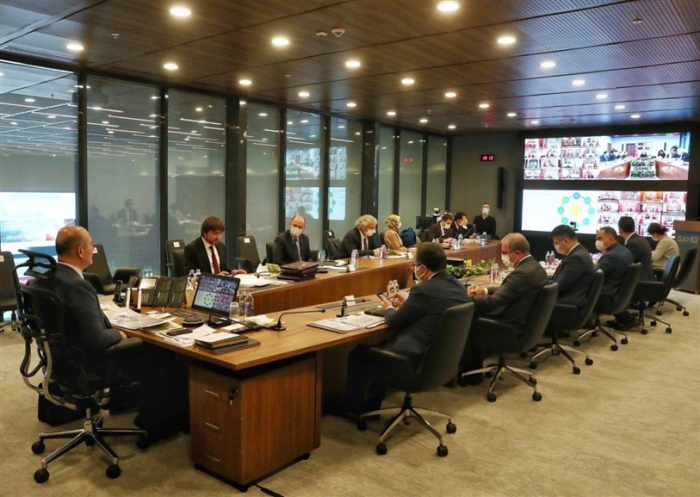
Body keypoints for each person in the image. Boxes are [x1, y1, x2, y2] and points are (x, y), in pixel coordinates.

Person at [32, 226, 188, 441]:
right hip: (90, 366)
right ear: (80, 251)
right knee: (160, 352)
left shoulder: (43, 279)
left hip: (63, 365)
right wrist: (120, 334)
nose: (93, 249)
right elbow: (97, 340)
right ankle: (157, 426)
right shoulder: (78, 286)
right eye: (91, 244)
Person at [341, 243, 469, 415]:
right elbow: (432, 310)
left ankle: (355, 409)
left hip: (414, 361)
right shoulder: (459, 287)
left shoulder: (423, 290)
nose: (414, 268)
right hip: (441, 363)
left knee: (358, 355)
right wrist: (407, 305)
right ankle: (371, 406)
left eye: (415, 265)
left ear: (423, 268)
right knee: (379, 347)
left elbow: (395, 321)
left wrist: (388, 307)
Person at [460, 233, 548, 377]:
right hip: (525, 324)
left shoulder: (521, 274)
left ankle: (471, 373)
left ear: (517, 253)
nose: (503, 256)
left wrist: (465, 297)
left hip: (509, 327)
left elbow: (493, 303)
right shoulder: (535, 268)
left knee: (468, 315)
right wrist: (485, 290)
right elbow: (509, 290)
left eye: (505, 253)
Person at [548, 225, 595, 319]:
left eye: (556, 243)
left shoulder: (577, 258)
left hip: (567, 303)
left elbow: (560, 286)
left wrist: (539, 285)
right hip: (570, 299)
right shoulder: (580, 252)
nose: (555, 246)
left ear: (565, 241)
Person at [617, 216, 654, 281]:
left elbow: (624, 264)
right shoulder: (640, 239)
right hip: (646, 277)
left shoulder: (633, 244)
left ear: (620, 231)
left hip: (640, 281)